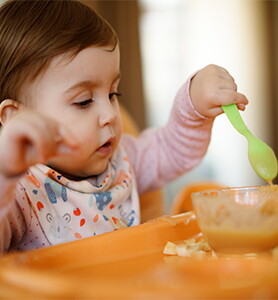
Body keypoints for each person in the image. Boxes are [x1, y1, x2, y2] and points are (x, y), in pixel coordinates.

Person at [0, 0, 248, 253]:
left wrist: (194, 102)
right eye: (83, 102)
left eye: (112, 94)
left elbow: (171, 150)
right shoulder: (19, 192)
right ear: (15, 120)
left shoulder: (124, 160)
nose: (109, 114)